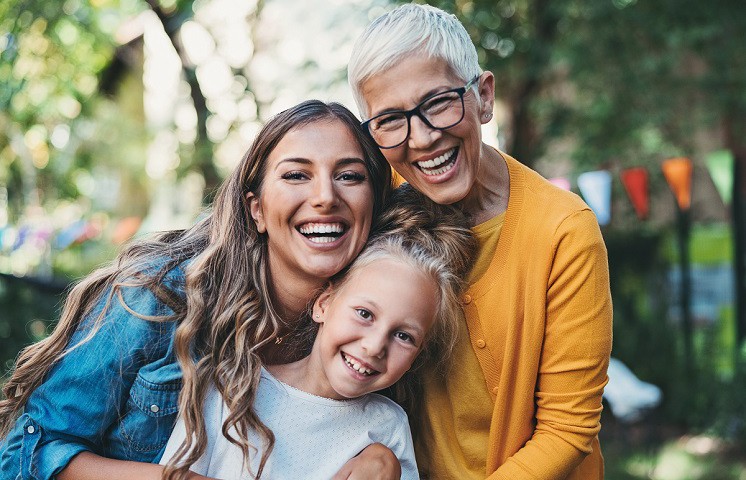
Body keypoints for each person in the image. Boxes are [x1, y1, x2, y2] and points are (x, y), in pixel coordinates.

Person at [0, 100, 399, 480]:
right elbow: (25, 452)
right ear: (256, 208)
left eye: (349, 176)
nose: (326, 197)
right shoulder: (160, 295)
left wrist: (379, 455)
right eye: (296, 175)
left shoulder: (378, 325)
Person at [348, 4, 613, 480]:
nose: (423, 138)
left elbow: (567, 430)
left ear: (483, 97)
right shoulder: (373, 204)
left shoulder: (562, 231)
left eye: (437, 103)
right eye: (391, 119)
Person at [159, 185, 478, 479]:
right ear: (324, 304)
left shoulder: (387, 429)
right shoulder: (232, 386)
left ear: (418, 354)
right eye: (365, 314)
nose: (374, 346)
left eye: (404, 336)